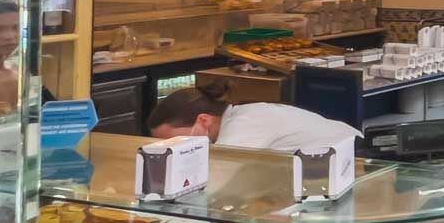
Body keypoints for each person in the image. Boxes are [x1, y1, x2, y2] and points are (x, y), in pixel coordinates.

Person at [147, 84, 360, 151]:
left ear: (204, 120)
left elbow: (219, 183)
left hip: (358, 163)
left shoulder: (243, 126)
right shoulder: (239, 116)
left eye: (173, 140)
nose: (171, 148)